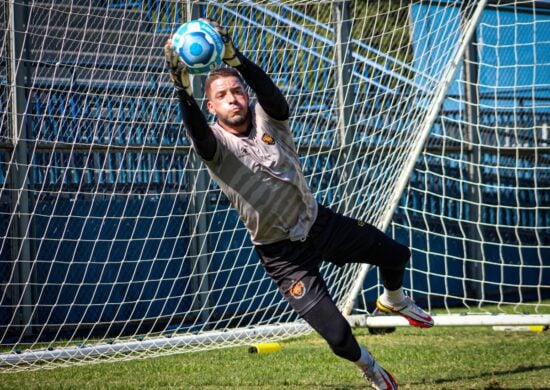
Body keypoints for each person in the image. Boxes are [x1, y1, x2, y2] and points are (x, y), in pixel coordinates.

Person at [164, 19, 433, 390]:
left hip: (319, 223)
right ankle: (370, 367)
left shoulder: (266, 116)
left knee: (396, 254)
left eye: (237, 91)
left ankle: (393, 301)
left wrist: (235, 58)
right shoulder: (214, 145)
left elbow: (273, 97)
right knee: (338, 336)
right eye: (223, 96)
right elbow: (197, 132)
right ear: (212, 106)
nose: (233, 99)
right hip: (282, 256)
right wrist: (181, 89)